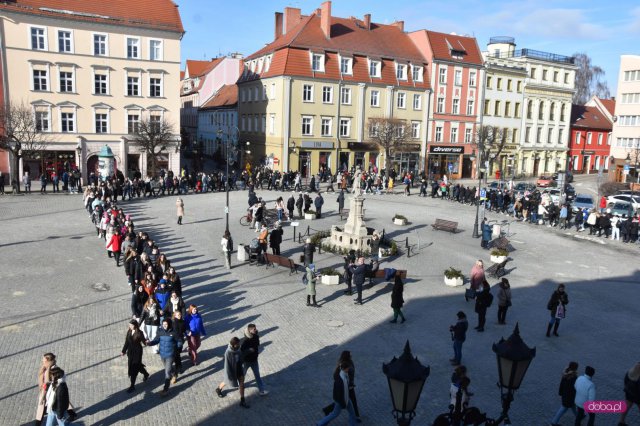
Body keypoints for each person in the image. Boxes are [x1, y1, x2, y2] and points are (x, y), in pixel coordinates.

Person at [146, 318, 181, 395]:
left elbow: (179, 341)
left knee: (167, 372)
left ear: (169, 324)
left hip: (170, 355)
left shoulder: (174, 332)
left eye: (166, 324)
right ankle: (175, 374)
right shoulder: (160, 331)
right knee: (168, 368)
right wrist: (150, 343)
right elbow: (156, 340)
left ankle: (166, 390)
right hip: (162, 354)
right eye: (163, 324)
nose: (164, 326)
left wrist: (178, 347)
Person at [317, 361, 358, 426]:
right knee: (334, 414)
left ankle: (352, 424)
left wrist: (349, 386)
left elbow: (345, 387)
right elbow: (339, 394)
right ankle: (320, 423)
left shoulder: (344, 375)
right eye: (348, 368)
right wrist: (344, 404)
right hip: (341, 400)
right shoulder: (340, 380)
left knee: (352, 413)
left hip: (346, 398)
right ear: (345, 368)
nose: (349, 369)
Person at [216, 337, 249, 408]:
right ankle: (218, 389)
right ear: (233, 345)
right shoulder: (228, 352)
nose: (239, 345)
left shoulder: (238, 349)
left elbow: (240, 357)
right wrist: (229, 375)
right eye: (238, 344)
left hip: (239, 368)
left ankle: (242, 401)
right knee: (226, 381)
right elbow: (227, 365)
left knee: (242, 384)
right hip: (232, 370)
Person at [121, 320, 150, 393]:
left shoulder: (139, 333)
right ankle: (146, 374)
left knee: (134, 369)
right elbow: (126, 342)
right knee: (137, 366)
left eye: (131, 325)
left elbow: (144, 342)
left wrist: (147, 342)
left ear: (135, 325)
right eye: (129, 325)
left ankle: (132, 385)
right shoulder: (129, 331)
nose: (130, 326)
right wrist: (123, 351)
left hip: (137, 352)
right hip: (130, 352)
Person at [240, 323, 268, 395]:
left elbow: (257, 344)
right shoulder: (245, 341)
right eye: (254, 329)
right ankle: (241, 385)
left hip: (254, 360)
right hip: (246, 361)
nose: (256, 330)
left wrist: (255, 352)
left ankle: (261, 391)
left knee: (257, 375)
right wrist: (249, 350)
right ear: (250, 331)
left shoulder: (256, 336)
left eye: (255, 328)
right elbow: (242, 352)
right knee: (243, 374)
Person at [549, 361, 579, 426]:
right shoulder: (574, 377)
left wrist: (560, 393)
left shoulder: (565, 374)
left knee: (573, 407)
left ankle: (579, 416)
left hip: (565, 395)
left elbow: (561, 384)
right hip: (570, 397)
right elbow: (574, 389)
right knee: (564, 408)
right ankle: (553, 423)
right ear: (575, 368)